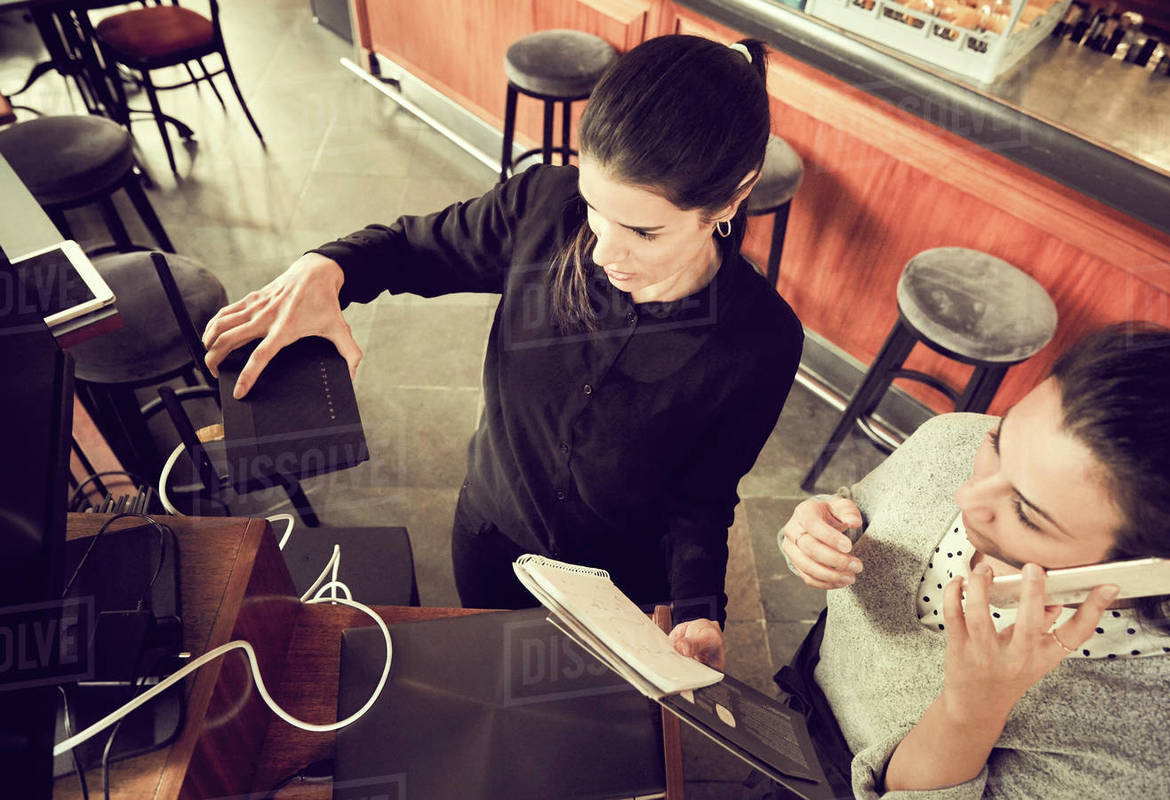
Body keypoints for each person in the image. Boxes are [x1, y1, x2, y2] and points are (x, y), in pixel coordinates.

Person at [202, 35, 804, 664]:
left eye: (644, 231)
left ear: (734, 197)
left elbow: (703, 496)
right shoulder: (543, 206)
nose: (601, 252)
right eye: (596, 209)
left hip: (619, 587)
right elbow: (408, 249)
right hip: (492, 537)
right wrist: (325, 268)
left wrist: (697, 608)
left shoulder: (762, 340)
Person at [776, 323, 1170, 798]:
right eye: (999, 441)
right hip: (798, 703)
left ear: (1167, 566)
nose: (965, 495)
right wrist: (816, 533)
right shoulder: (952, 440)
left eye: (1026, 512)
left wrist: (972, 708)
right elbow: (855, 510)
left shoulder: (1160, 740)